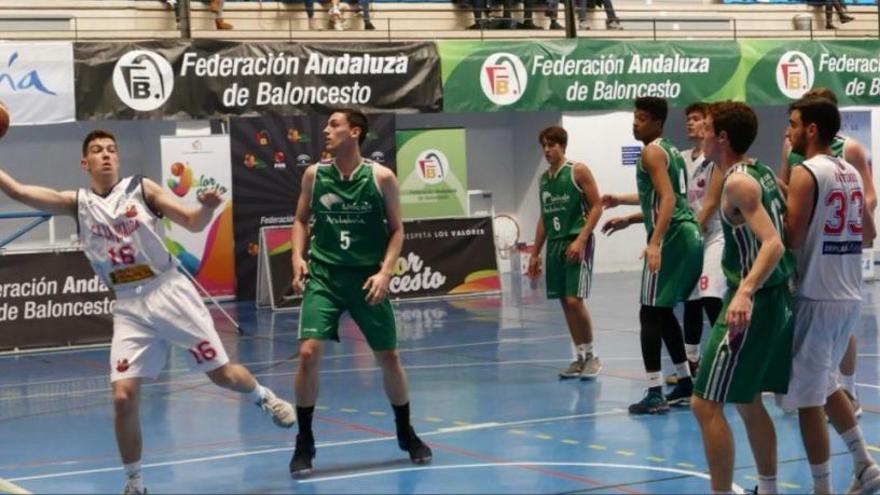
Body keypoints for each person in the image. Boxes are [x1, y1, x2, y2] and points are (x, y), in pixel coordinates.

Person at [0, 129, 295, 495]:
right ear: (85, 163)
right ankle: (135, 483)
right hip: (128, 304)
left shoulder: (142, 189)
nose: (106, 155)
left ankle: (263, 398)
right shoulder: (76, 203)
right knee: (123, 397)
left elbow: (191, 221)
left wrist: (206, 206)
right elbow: (16, 190)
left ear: (118, 159)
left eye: (111, 149)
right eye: (97, 150)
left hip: (168, 292)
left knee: (221, 375)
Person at [289, 109, 432, 478]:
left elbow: (397, 230)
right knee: (308, 352)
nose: (325, 130)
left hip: (368, 278)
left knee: (389, 357)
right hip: (325, 275)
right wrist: (296, 257)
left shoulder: (381, 177)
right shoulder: (314, 175)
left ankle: (405, 430)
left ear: (355, 132)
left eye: (334, 125)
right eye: (327, 125)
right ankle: (304, 440)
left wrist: (385, 272)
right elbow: (301, 220)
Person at [690, 101, 793, 494]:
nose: (699, 132)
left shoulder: (738, 183)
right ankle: (767, 489)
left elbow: (773, 244)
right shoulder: (759, 170)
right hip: (774, 297)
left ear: (723, 138)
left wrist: (745, 292)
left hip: (754, 300)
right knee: (748, 399)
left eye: (708, 127)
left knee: (704, 404)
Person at [779, 96, 880, 494]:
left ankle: (822, 489)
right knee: (826, 385)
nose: (788, 131)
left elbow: (793, 236)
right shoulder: (850, 171)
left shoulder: (807, 171)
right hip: (848, 292)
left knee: (807, 402)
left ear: (812, 129)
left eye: (793, 123)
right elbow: (870, 232)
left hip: (816, 294)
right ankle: (864, 465)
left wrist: (759, 214)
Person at [601, 97, 702, 414]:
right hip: (687, 235)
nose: (635, 123)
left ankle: (655, 390)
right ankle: (685, 384)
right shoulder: (669, 150)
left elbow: (668, 198)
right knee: (663, 312)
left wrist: (655, 242)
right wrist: (624, 208)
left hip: (673, 237)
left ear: (657, 123)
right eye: (634, 117)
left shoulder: (651, 152)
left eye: (642, 118)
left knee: (648, 313)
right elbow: (659, 198)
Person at [527, 126, 603, 380]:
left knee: (574, 299)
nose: (547, 150)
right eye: (544, 146)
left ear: (562, 146)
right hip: (556, 244)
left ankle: (593, 355)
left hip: (576, 239)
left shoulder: (577, 171)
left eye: (552, 145)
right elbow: (544, 218)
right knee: (563, 301)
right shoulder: (544, 179)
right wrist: (535, 252)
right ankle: (579, 356)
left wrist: (581, 239)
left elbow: (597, 206)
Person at [666, 103, 725, 392]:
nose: (691, 124)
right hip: (693, 236)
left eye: (697, 119)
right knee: (690, 299)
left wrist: (691, 235)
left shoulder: (715, 159)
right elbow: (671, 200)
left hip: (713, 236)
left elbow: (711, 203)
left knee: (711, 297)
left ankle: (730, 357)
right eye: (688, 119)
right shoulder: (682, 159)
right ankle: (693, 362)